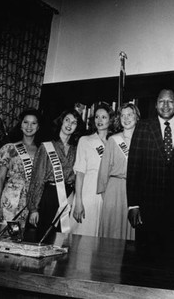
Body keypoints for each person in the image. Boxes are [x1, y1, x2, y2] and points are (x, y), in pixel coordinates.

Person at [127, 89, 174, 247]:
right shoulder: (143, 127)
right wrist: (133, 204)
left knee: (173, 255)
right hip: (147, 206)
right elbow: (133, 167)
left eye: (170, 101)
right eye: (161, 101)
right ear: (156, 105)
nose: (166, 105)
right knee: (145, 255)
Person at [27, 109, 84, 238]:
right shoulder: (46, 146)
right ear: (61, 122)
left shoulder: (77, 150)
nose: (69, 125)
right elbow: (38, 177)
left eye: (74, 123)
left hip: (68, 197)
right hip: (49, 196)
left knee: (62, 238)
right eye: (67, 120)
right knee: (44, 236)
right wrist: (34, 208)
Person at [0, 109, 44, 226]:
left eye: (33, 123)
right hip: (10, 198)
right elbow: (0, 179)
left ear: (38, 127)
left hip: (30, 201)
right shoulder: (9, 148)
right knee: (3, 235)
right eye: (25, 122)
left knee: (22, 238)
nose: (29, 126)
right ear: (20, 125)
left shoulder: (41, 151)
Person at [97, 103, 140, 240]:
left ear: (136, 117)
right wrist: (106, 194)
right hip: (114, 189)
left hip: (134, 191)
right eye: (123, 115)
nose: (126, 118)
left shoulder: (142, 140)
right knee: (112, 230)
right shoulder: (113, 140)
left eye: (130, 114)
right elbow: (104, 170)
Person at [71, 102, 114, 236]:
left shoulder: (115, 142)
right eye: (97, 117)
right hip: (88, 193)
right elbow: (80, 173)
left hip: (108, 194)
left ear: (110, 120)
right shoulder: (85, 140)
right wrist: (78, 201)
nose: (99, 120)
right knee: (85, 235)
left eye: (104, 117)